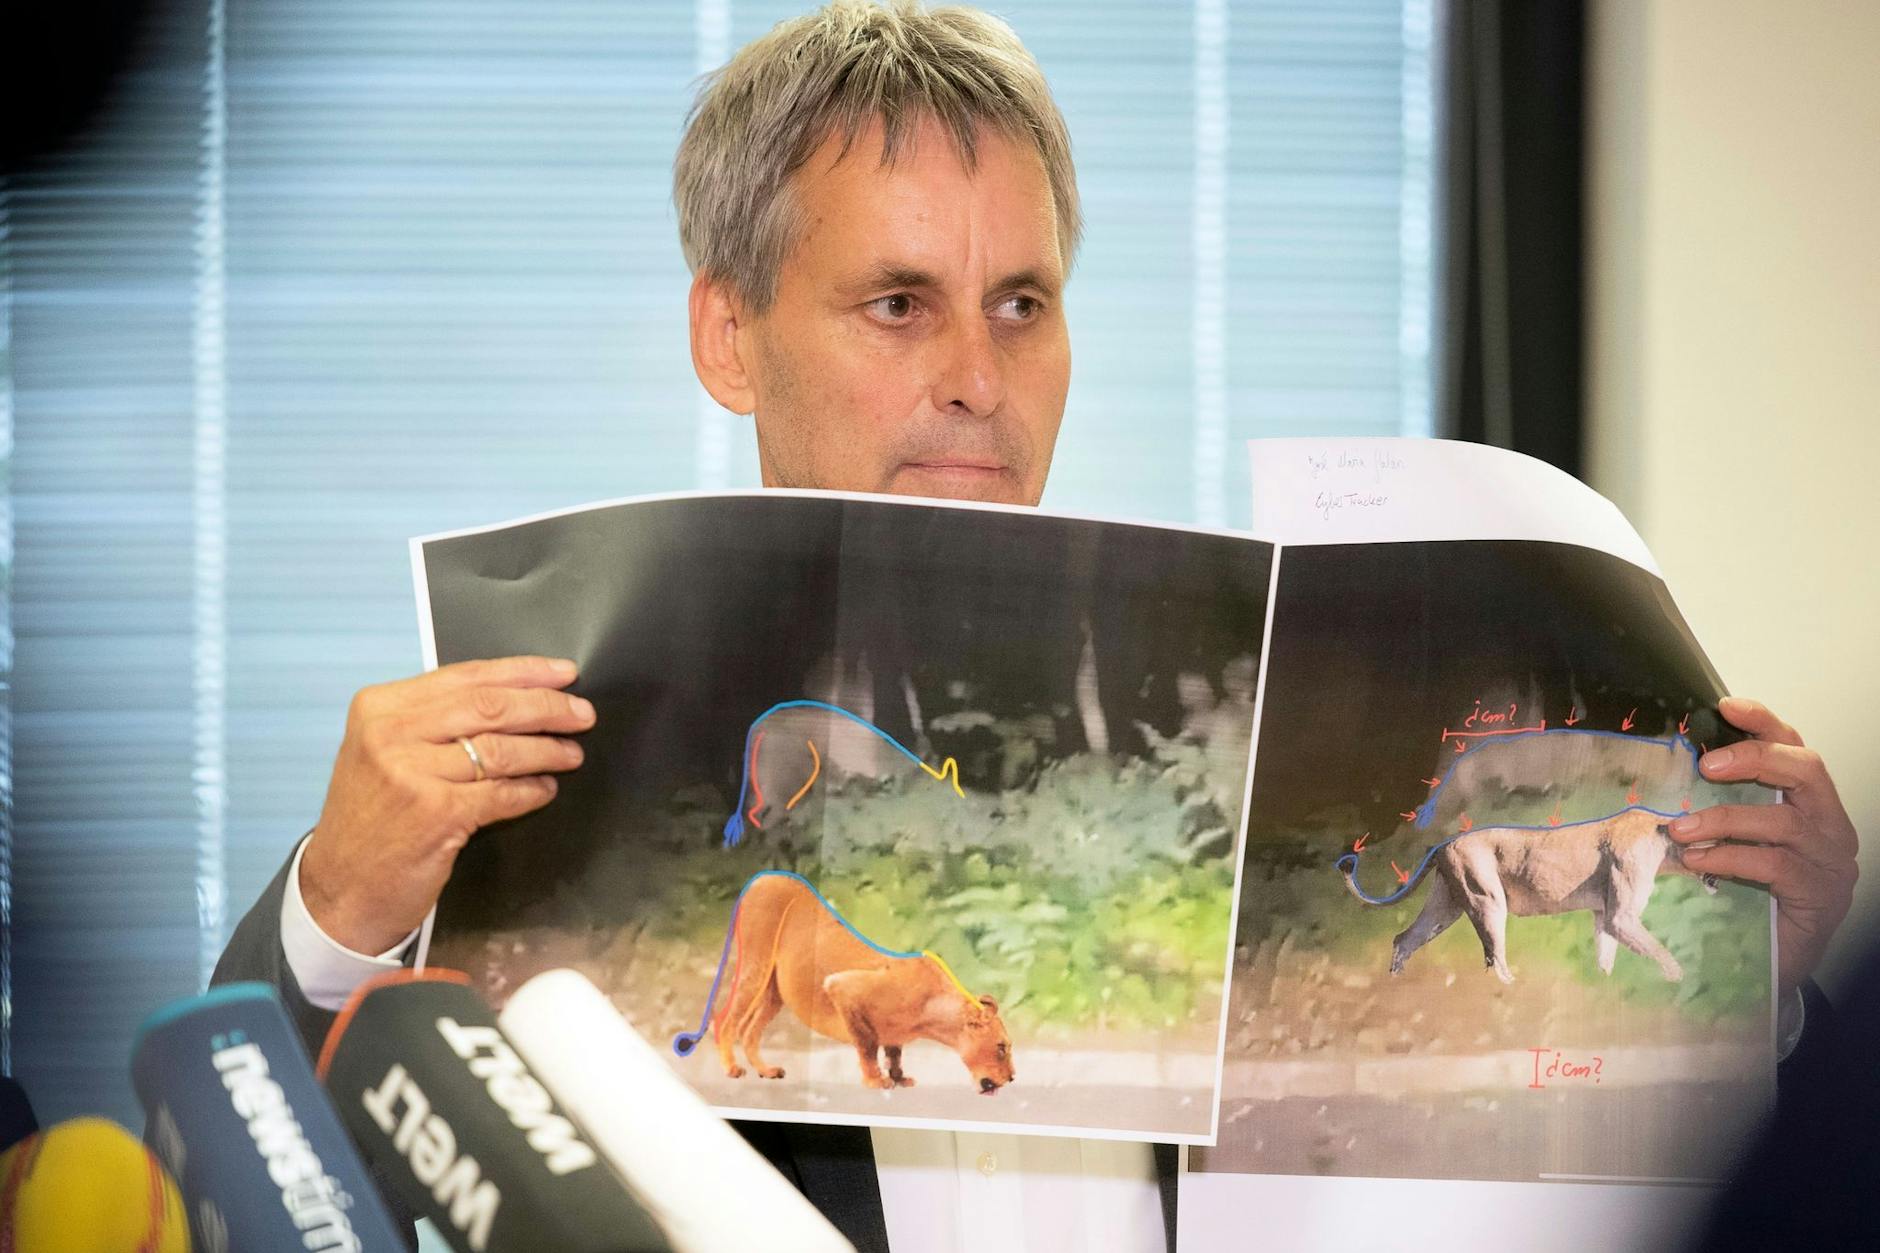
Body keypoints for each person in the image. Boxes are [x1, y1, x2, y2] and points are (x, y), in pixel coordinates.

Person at [214, 3, 1862, 1250]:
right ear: (730, 335)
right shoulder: (542, 745)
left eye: (1023, 303)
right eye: (897, 302)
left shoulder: (1208, 728)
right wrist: (338, 907)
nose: (976, 379)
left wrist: (1745, 983)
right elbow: (265, 1177)